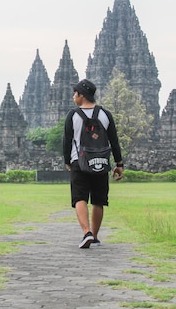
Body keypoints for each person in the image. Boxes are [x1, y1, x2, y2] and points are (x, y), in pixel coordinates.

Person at [63, 79, 123, 248]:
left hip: (78, 161)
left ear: (82, 95)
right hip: (101, 161)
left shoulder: (73, 115)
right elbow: (114, 141)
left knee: (79, 198)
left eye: (75, 93)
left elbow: (67, 141)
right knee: (98, 200)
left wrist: (67, 161)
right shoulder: (105, 114)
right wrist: (119, 163)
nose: (74, 96)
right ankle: (95, 237)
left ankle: (86, 232)